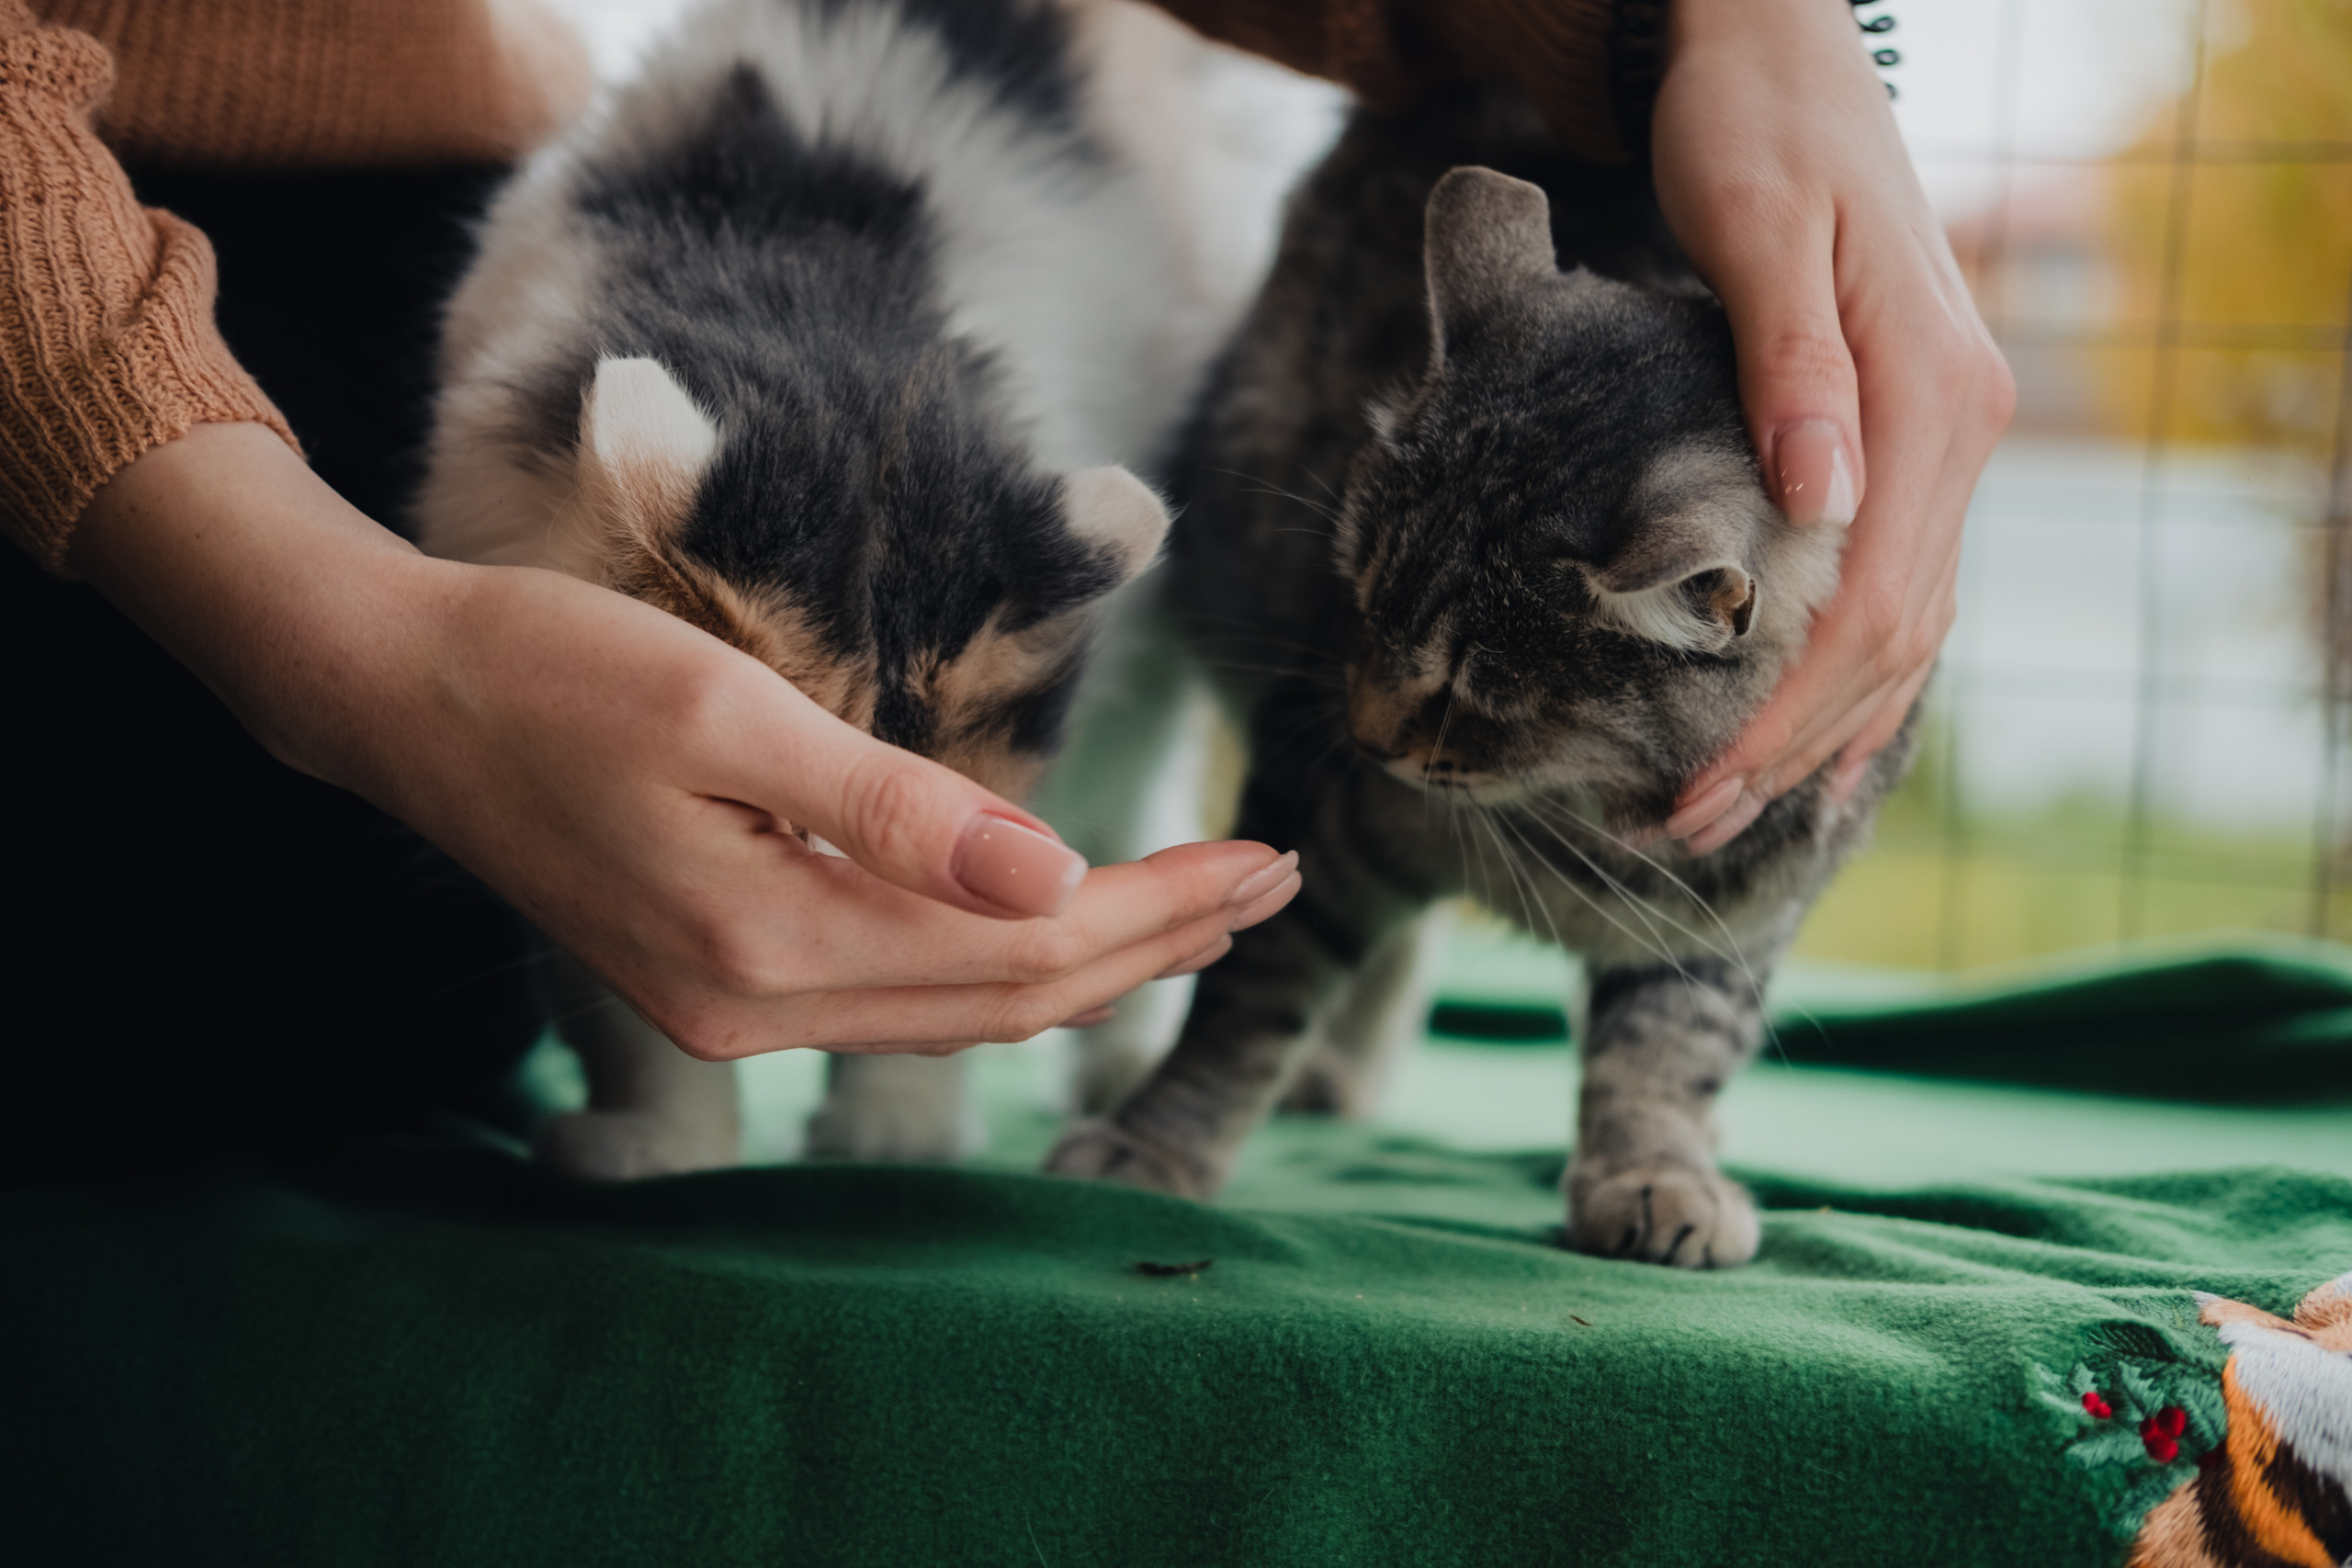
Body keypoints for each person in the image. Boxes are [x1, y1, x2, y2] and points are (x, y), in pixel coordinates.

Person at [0, 0, 2010, 1168]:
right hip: (97, 265)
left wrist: (1725, 19)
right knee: (231, 1020)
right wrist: (346, 644)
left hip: (488, 168)